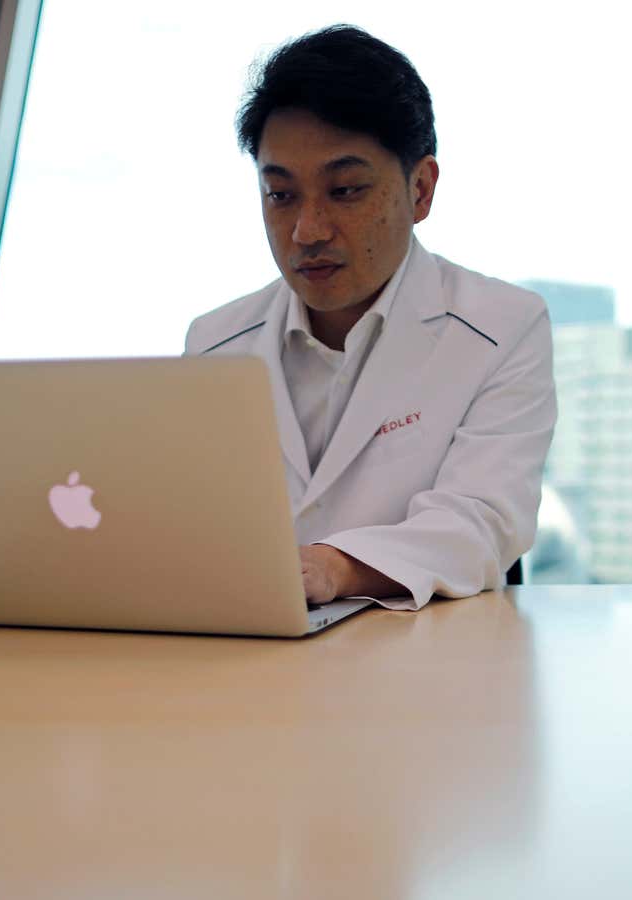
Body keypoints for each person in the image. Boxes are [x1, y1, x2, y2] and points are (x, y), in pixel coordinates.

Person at [184, 25, 556, 610]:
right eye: (280, 195)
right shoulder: (214, 343)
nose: (307, 230)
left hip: (425, 665)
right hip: (256, 663)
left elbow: (482, 521)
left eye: (346, 190)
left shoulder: (503, 326)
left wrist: (332, 567)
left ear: (421, 189)